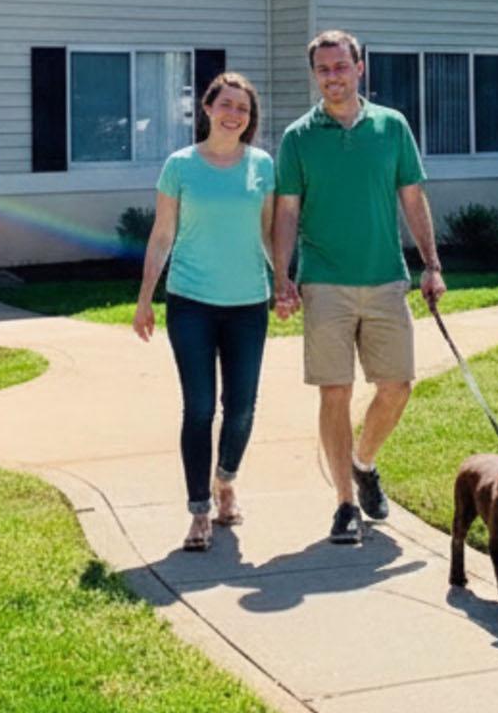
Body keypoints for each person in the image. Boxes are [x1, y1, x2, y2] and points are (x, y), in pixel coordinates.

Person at [271, 30, 446, 544]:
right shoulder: (298, 138)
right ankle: (345, 503)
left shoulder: (391, 127)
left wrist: (431, 264)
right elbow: (286, 213)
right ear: (315, 75)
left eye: (341, 66)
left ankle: (363, 463)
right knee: (335, 391)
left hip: (386, 277)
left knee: (396, 388)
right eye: (323, 69)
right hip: (324, 282)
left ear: (359, 68)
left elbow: (412, 200)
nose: (333, 77)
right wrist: (282, 277)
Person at [133, 71, 275, 553]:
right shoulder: (180, 166)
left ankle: (226, 480)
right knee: (198, 408)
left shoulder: (262, 166)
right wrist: (145, 298)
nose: (235, 114)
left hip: (248, 304)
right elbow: (161, 234)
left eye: (244, 108)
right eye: (227, 104)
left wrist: (286, 282)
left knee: (241, 408)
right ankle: (199, 511)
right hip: (191, 301)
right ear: (208, 109)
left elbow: (269, 233)